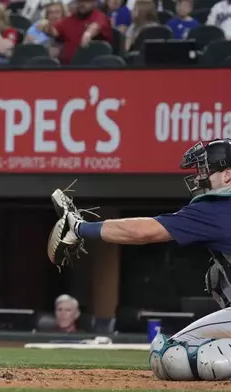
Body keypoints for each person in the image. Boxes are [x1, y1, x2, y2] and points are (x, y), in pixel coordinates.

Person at [49, 138, 231, 381]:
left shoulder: (217, 207)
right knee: (217, 276)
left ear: (227, 175)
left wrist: (81, 228)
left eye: (206, 171)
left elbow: (144, 231)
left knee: (171, 355)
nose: (199, 177)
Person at [39, 0, 112, 64]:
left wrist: (88, 33)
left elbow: (97, 25)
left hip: (90, 69)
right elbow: (55, 32)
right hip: (66, 67)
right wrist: (47, 26)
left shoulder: (99, 16)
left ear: (94, 3)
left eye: (86, 1)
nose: (82, 4)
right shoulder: (70, 19)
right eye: (80, 1)